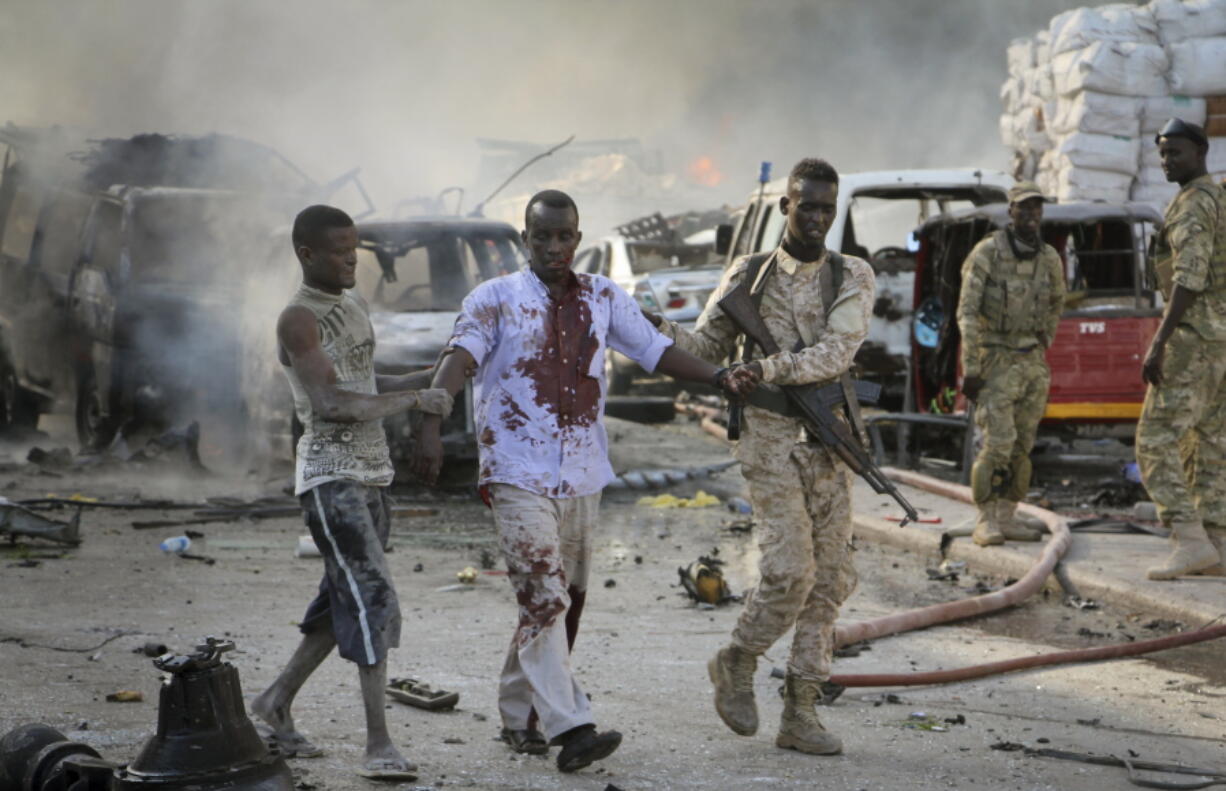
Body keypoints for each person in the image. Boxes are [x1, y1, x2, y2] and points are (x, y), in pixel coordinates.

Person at [413, 189, 754, 773]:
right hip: (516, 470)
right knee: (544, 595)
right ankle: (573, 727)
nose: (553, 246)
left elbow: (658, 351)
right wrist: (430, 419)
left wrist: (720, 375)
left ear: (577, 236)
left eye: (563, 235)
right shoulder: (493, 299)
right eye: (541, 236)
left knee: (558, 603)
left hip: (582, 473)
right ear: (525, 239)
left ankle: (518, 717)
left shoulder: (602, 296)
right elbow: (457, 358)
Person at [648, 158, 875, 756]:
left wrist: (766, 366)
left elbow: (837, 351)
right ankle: (738, 660)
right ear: (786, 207)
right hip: (770, 440)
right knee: (789, 569)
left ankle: (800, 710)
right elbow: (705, 345)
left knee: (831, 580)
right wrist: (656, 330)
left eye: (828, 208)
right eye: (808, 207)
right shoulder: (746, 277)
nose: (819, 219)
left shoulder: (852, 274)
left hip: (829, 440)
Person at [250, 205, 453, 782]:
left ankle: (274, 702)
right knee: (372, 599)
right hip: (330, 479)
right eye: (341, 250)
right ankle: (378, 743)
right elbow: (333, 404)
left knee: (340, 604)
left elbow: (364, 386)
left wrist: (421, 378)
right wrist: (418, 403)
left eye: (355, 248)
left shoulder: (354, 303)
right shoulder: (298, 319)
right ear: (306, 254)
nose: (352, 259)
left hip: (371, 476)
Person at [1135, 118, 1226, 580]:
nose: (1167, 161)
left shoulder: (1193, 205)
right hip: (1221, 341)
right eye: (1163, 153)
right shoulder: (1220, 198)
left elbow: (1188, 278)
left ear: (1201, 152)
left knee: (1153, 440)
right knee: (1210, 442)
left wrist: (1159, 342)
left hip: (1192, 338)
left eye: (1176, 153)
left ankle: (1190, 540)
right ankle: (1217, 544)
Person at [956, 182, 1065, 547]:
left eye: (1037, 207)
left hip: (1031, 363)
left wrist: (1043, 343)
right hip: (996, 361)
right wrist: (971, 368)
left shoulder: (1048, 257)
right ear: (1011, 212)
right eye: (1024, 208)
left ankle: (1008, 514)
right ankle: (985, 519)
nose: (1032, 214)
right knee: (998, 443)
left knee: (1023, 445)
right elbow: (967, 312)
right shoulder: (987, 253)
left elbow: (1056, 304)